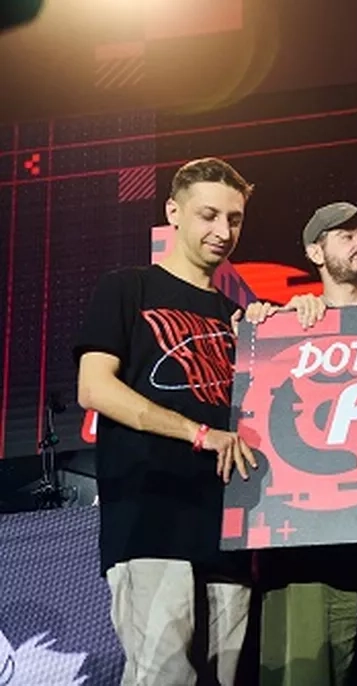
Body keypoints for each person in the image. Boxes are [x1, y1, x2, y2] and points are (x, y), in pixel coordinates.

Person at [74, 157, 263, 686]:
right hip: (152, 521)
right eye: (208, 215)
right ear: (173, 212)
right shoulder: (127, 288)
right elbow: (95, 387)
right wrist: (196, 433)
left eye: (234, 219)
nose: (223, 231)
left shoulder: (239, 316)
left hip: (229, 532)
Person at [248, 200, 357, 686]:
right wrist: (267, 323)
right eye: (346, 235)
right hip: (309, 545)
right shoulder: (283, 327)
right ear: (315, 253)